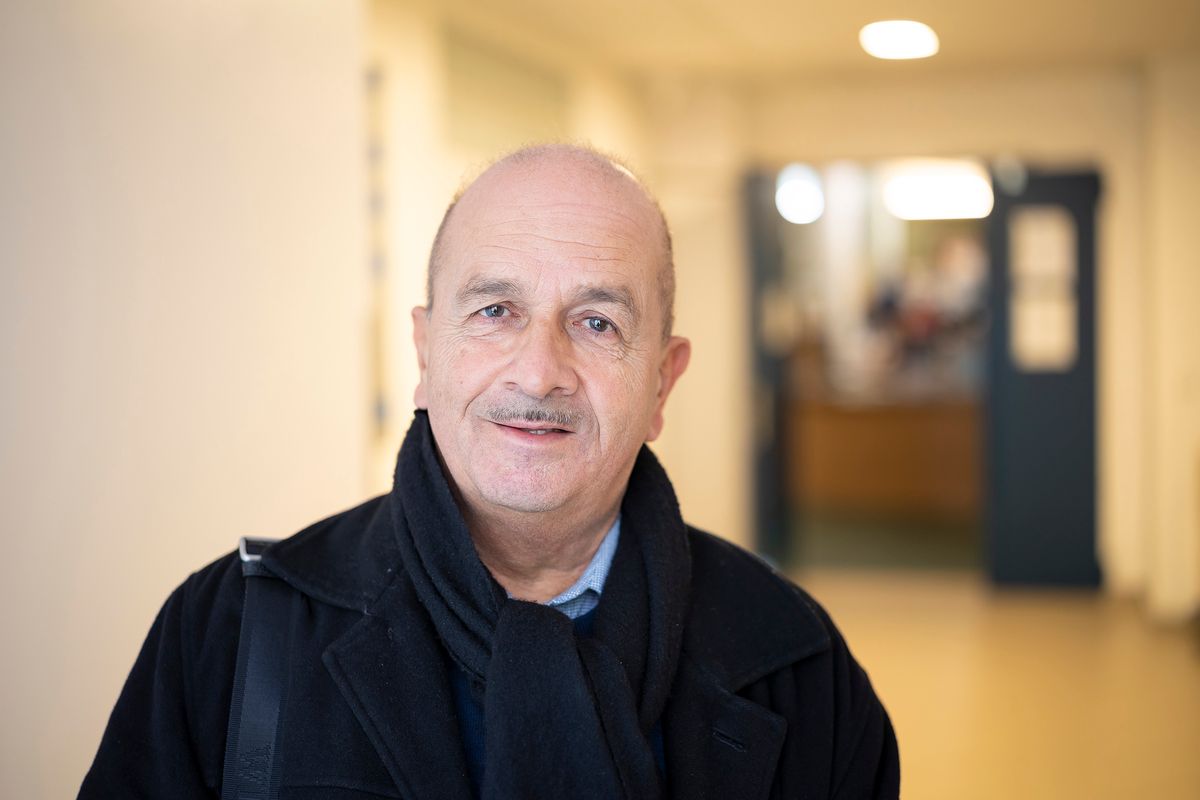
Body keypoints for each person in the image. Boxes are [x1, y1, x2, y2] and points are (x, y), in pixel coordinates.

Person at [80, 144, 899, 799]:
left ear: (662, 383)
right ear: (424, 353)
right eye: (495, 311)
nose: (539, 373)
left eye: (597, 322)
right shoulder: (227, 635)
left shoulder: (797, 665)